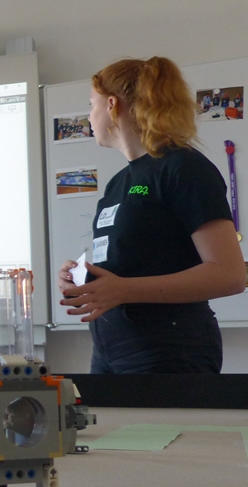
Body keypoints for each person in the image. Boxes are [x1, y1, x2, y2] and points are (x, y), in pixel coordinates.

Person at [57, 57, 245, 373]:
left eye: (92, 105)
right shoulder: (119, 182)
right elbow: (135, 265)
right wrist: (82, 278)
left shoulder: (184, 168)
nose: (89, 116)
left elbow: (230, 275)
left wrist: (123, 289)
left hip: (168, 348)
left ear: (112, 105)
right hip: (111, 345)